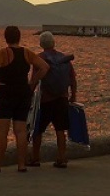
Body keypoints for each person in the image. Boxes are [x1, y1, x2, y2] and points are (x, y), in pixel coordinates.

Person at [0, 25, 48, 173]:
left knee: (2, 130)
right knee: (20, 131)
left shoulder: (4, 53)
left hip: (5, 92)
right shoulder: (26, 53)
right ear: (19, 37)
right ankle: (21, 164)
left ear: (6, 37)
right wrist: (33, 82)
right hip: (23, 93)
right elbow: (44, 67)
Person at [27, 31, 77, 169]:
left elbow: (34, 80)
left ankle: (35, 158)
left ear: (41, 44)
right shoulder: (64, 58)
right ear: (54, 43)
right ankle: (61, 158)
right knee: (60, 130)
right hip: (62, 99)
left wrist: (29, 94)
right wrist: (73, 95)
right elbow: (72, 78)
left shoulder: (39, 58)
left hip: (45, 100)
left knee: (38, 129)